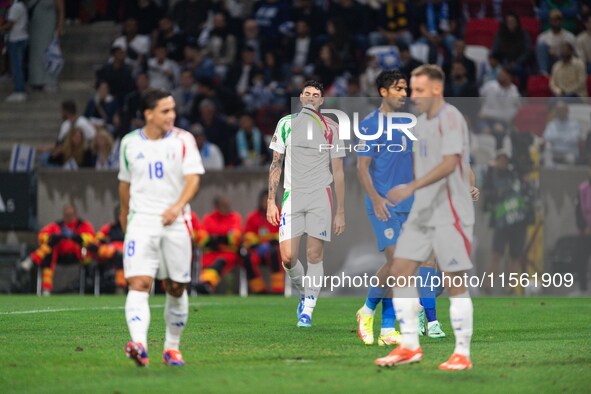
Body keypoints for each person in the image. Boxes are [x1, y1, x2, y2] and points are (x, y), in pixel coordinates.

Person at [375, 65, 475, 370]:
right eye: (410, 90)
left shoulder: (451, 118)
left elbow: (452, 163)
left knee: (453, 279)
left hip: (450, 209)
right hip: (424, 208)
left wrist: (413, 187)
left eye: (418, 90)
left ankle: (462, 352)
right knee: (402, 267)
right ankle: (409, 345)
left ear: (436, 90)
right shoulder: (420, 124)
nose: (412, 95)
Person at [355, 70, 447, 348]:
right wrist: (376, 198)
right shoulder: (370, 124)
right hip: (383, 204)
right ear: (383, 92)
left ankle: (380, 324)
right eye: (398, 88)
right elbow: (362, 167)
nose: (404, 94)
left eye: (406, 88)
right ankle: (374, 316)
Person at [118, 88, 204, 367]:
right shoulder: (129, 143)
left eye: (173, 110)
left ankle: (172, 347)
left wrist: (177, 206)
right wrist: (124, 215)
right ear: (149, 114)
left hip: (176, 221)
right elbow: (124, 183)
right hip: (141, 221)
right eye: (165, 111)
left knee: (176, 286)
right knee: (139, 283)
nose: (172, 115)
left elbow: (193, 180)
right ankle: (139, 345)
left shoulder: (183, 140)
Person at [266, 80, 346, 328]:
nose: (311, 97)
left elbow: (339, 171)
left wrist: (341, 211)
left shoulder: (332, 127)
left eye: (316, 95)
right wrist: (271, 201)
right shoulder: (286, 124)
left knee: (314, 254)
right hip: (292, 195)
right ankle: (305, 292)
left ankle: (307, 311)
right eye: (307, 93)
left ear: (321, 101)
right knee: (289, 258)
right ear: (301, 98)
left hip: (320, 195)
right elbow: (276, 163)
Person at [19, 203, 95, 295]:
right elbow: (41, 236)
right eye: (66, 214)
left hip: (78, 255)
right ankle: (46, 289)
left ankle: (32, 259)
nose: (68, 216)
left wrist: (77, 237)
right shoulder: (57, 226)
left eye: (70, 214)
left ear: (75, 213)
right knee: (50, 248)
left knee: (87, 251)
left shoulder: (83, 225)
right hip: (59, 255)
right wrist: (53, 237)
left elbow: (92, 239)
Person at [483, 149, 531, 293]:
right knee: (496, 253)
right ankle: (488, 285)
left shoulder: (515, 176)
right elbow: (488, 195)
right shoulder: (491, 176)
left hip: (517, 221)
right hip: (501, 221)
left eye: (505, 160)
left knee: (514, 255)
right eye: (500, 159)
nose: (503, 163)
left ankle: (510, 286)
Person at [193, 195, 242, 294]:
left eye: (228, 205)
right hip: (210, 253)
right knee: (210, 263)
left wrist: (214, 238)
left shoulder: (234, 217)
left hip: (228, 253)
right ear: (216, 206)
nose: (227, 208)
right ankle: (206, 286)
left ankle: (206, 283)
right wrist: (223, 237)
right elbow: (202, 237)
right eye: (224, 205)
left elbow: (235, 237)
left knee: (220, 261)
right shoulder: (208, 218)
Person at [243, 190, 283, 294]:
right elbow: (247, 235)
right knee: (248, 258)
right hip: (258, 250)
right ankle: (259, 290)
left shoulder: (282, 214)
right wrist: (257, 244)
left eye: (269, 201)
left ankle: (278, 290)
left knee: (275, 254)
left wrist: (272, 241)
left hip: (276, 249)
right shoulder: (253, 216)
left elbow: (286, 232)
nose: (266, 203)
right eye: (264, 200)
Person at [27, 0, 64, 92]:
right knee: (35, 54)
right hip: (34, 26)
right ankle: (36, 81)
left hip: (49, 26)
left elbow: (61, 10)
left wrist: (60, 26)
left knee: (48, 53)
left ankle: (49, 81)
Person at [92, 205, 126, 294]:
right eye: (120, 214)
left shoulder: (132, 229)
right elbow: (96, 242)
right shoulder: (109, 228)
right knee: (118, 255)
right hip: (111, 255)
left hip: (128, 255)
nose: (122, 217)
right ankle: (120, 287)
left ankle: (123, 285)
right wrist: (103, 241)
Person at [0, 0, 28, 102]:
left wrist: (1, 28)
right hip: (20, 38)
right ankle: (19, 89)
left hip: (16, 40)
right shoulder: (19, 6)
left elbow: (10, 25)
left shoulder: (15, 7)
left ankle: (19, 91)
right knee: (17, 66)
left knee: (17, 67)